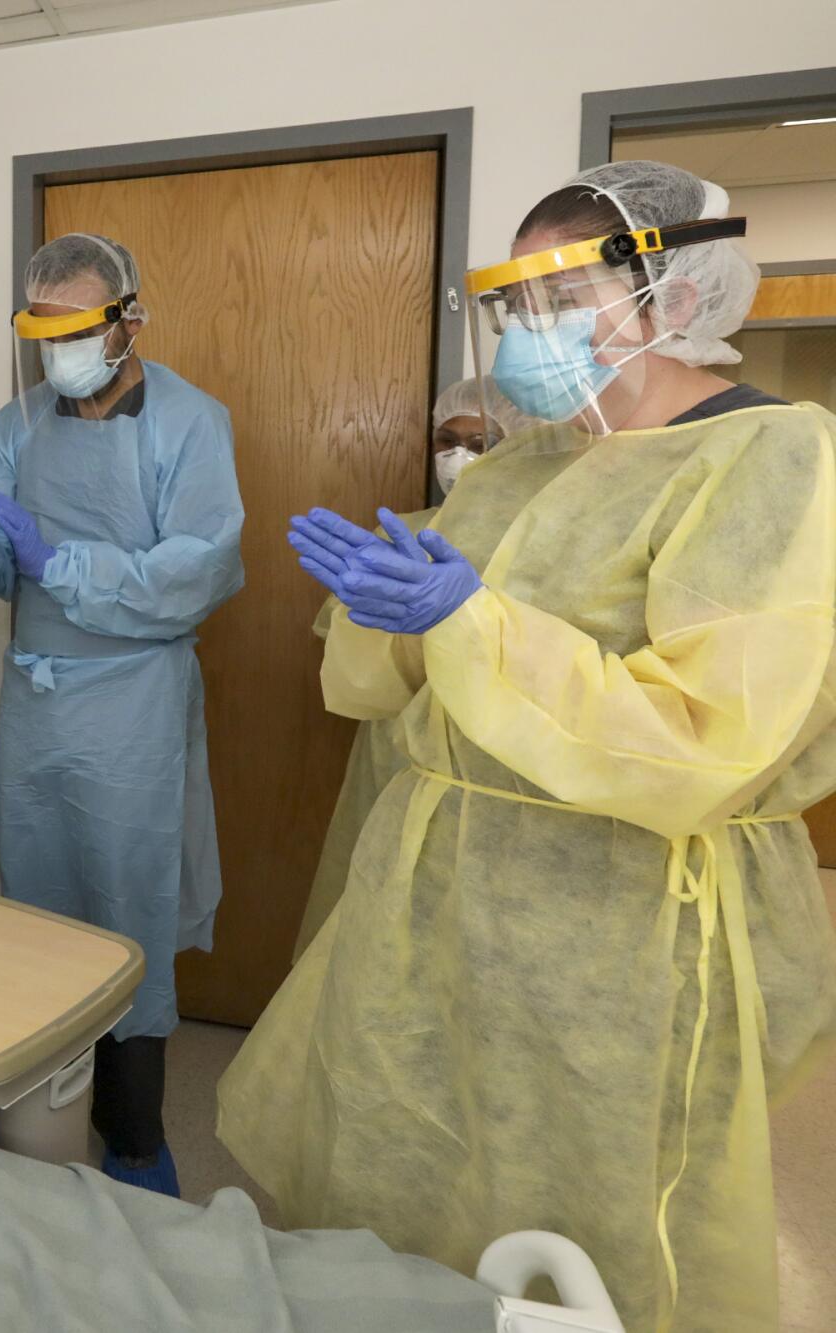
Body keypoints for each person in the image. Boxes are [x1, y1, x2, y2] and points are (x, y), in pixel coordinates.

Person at [220, 160, 836, 1332]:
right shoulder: (516, 463)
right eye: (515, 301)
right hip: (437, 893)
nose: (527, 331)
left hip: (622, 922)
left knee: (595, 1212)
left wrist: (466, 623)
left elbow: (704, 738)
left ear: (673, 297)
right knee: (410, 1152)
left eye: (560, 299)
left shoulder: (768, 457)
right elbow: (380, 690)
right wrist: (382, 612)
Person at [0, 233, 244, 1195]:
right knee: (38, 896)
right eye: (42, 329)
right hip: (37, 698)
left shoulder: (189, 422)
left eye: (74, 327)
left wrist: (64, 562)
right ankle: (38, 1101)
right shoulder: (18, 422)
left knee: (128, 901)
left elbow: (198, 570)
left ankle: (134, 1128)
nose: (57, 349)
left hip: (133, 707)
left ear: (127, 320)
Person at [291, 376, 533, 961]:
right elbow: (355, 669)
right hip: (399, 755)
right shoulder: (402, 535)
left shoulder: (539, 541)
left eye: (481, 442)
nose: (458, 457)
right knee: (382, 917)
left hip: (502, 762)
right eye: (446, 441)